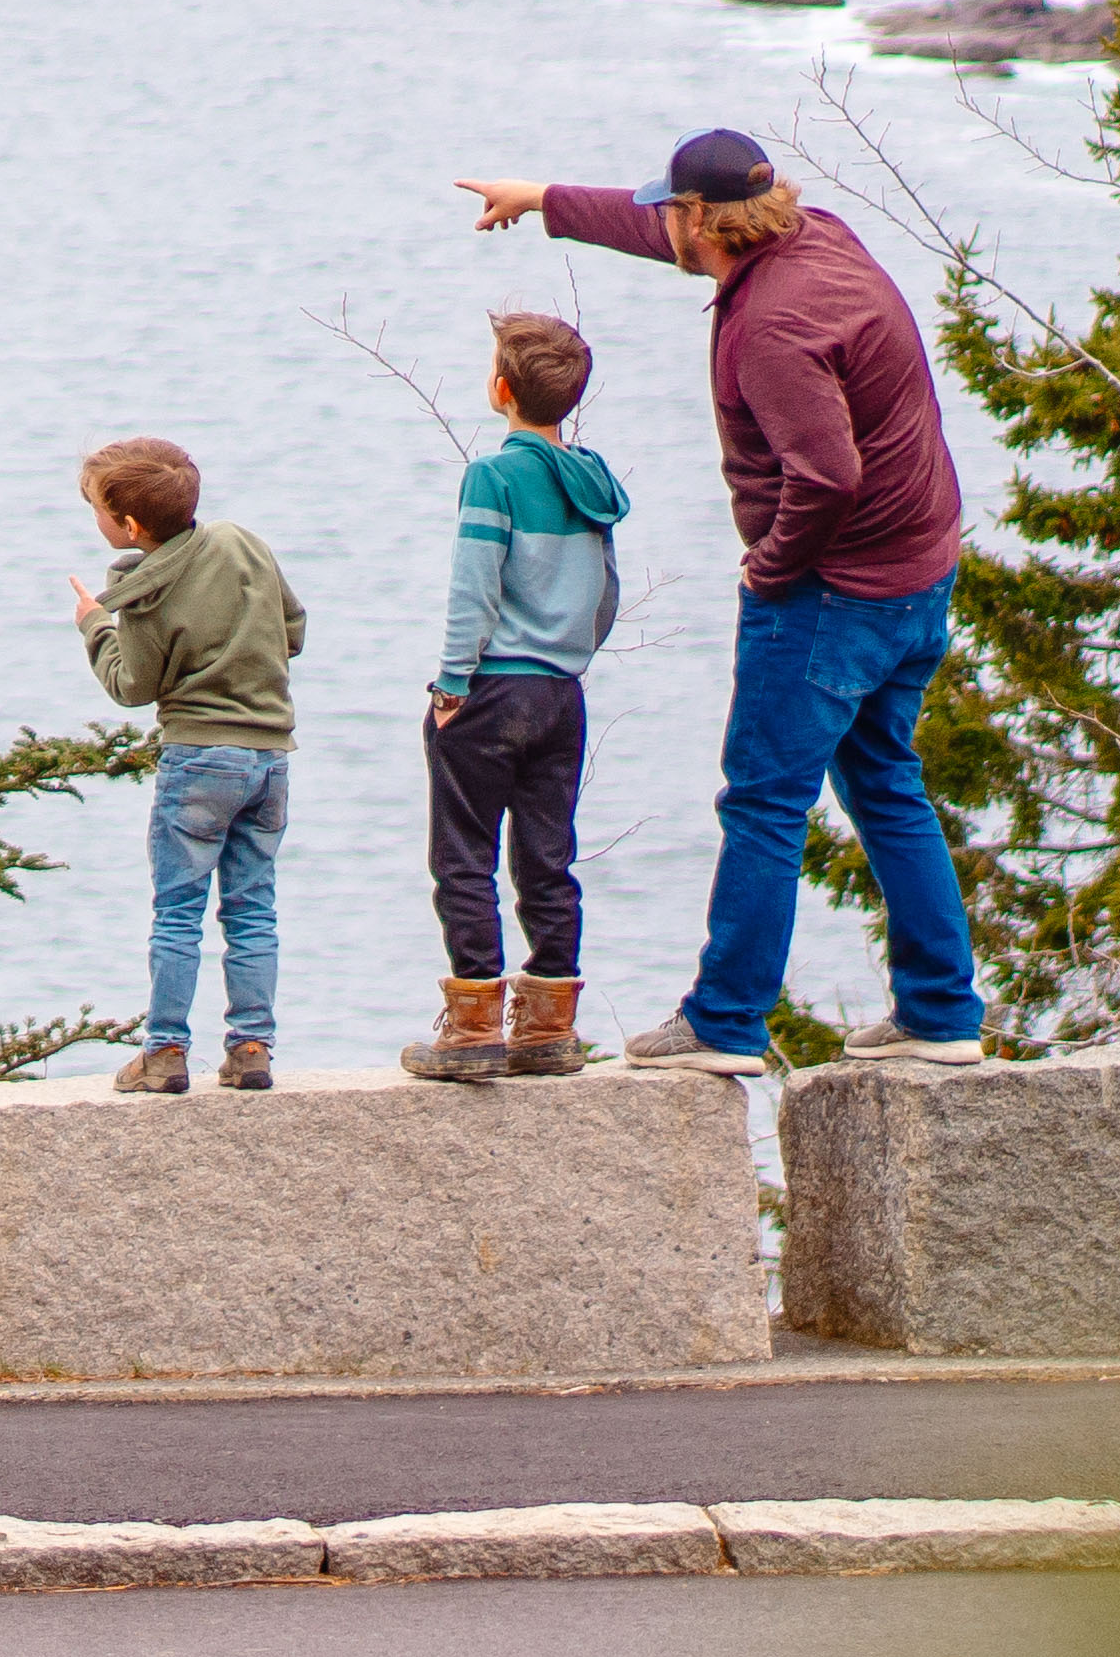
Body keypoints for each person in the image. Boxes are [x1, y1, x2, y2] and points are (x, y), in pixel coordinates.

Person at [444, 126, 981, 1068]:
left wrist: (770, 567)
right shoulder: (818, 236)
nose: (667, 226)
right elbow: (664, 236)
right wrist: (543, 199)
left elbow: (825, 475)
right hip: (919, 569)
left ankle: (725, 1022)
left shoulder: (773, 326)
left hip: (833, 591)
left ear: (704, 218)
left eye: (674, 211)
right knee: (888, 785)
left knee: (766, 803)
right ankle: (941, 1015)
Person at [399, 306, 626, 1083]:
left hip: (493, 688)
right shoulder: (594, 480)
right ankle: (549, 1023)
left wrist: (453, 682)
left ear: (501, 390)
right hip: (562, 693)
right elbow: (606, 594)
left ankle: (472, 1027)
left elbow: (474, 588)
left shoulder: (493, 475)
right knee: (547, 856)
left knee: (464, 856)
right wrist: (572, 657)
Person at [62, 431, 301, 1093]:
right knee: (253, 909)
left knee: (178, 911)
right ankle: (252, 1047)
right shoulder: (243, 542)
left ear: (131, 526)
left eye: (97, 510)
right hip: (271, 756)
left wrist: (93, 625)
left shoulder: (138, 585)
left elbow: (132, 686)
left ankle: (165, 1051)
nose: (97, 520)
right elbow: (294, 628)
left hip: (198, 757)